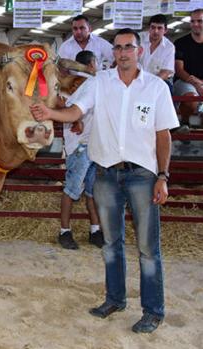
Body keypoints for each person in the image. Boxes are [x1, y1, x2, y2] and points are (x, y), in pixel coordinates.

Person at [30, 28, 179, 333]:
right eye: (118, 48)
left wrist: (162, 176)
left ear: (139, 52)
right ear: (113, 52)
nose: (123, 52)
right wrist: (49, 112)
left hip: (142, 175)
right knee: (111, 244)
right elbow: (75, 112)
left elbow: (163, 135)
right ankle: (115, 299)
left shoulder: (156, 87)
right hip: (106, 174)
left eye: (129, 47)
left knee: (148, 248)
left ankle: (153, 310)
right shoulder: (100, 83)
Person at [58, 50, 103, 250]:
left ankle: (94, 230)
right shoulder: (87, 82)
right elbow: (69, 106)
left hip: (87, 143)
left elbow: (61, 102)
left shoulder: (73, 81)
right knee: (76, 189)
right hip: (82, 144)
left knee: (85, 189)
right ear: (91, 64)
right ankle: (66, 231)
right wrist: (76, 119)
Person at [174, 8, 203, 128]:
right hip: (185, 81)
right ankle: (184, 124)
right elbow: (179, 70)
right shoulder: (181, 43)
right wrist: (196, 84)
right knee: (191, 100)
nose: (195, 24)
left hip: (201, 82)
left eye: (200, 21)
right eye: (193, 21)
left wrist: (201, 83)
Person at [139, 14, 175, 92]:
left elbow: (166, 71)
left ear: (165, 30)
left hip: (157, 80)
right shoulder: (138, 39)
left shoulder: (169, 47)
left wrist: (150, 84)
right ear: (149, 28)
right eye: (153, 27)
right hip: (136, 79)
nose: (156, 31)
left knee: (167, 88)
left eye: (159, 28)